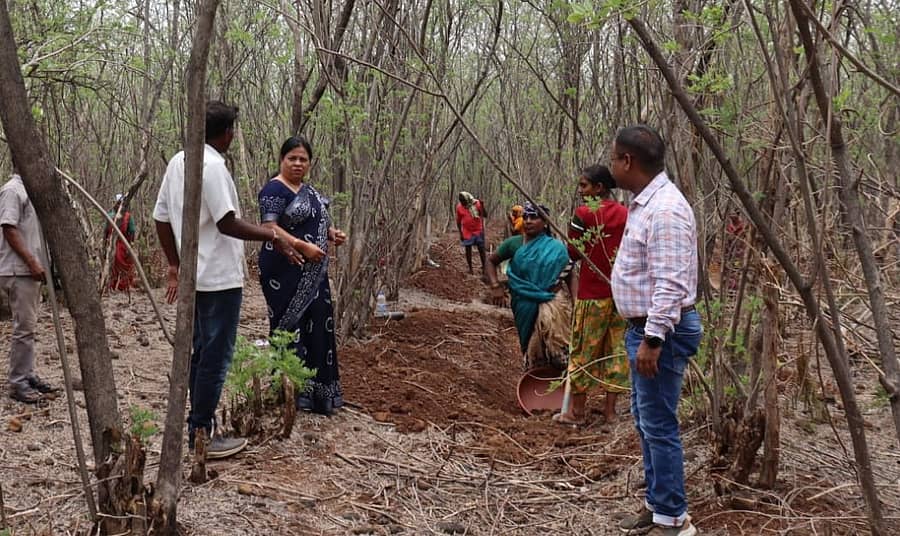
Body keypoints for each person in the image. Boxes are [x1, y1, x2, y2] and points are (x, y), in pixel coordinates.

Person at [153, 101, 302, 459]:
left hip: (195, 277)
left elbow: (159, 218)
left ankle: (198, 428)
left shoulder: (178, 161)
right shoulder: (213, 166)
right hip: (218, 280)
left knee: (202, 354)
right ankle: (201, 433)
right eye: (232, 131)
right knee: (214, 358)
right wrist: (272, 235)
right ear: (226, 134)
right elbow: (227, 222)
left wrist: (175, 265)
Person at [610, 125, 702, 536]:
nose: (612, 165)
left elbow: (670, 283)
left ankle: (673, 520)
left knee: (659, 425)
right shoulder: (645, 204)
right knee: (646, 420)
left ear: (627, 161)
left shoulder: (664, 210)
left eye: (614, 158)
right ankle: (658, 505)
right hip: (644, 330)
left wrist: (652, 339)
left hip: (658, 334)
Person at [258, 136, 347, 415]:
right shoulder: (274, 189)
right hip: (284, 270)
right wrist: (299, 245)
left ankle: (318, 394)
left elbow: (317, 221)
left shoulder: (309, 191)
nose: (298, 163)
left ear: (309, 162)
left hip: (315, 272)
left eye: (303, 159)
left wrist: (332, 235)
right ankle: (290, 392)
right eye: (292, 158)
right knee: (289, 327)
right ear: (282, 160)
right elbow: (269, 226)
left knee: (320, 325)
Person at [554, 164, 628, 426]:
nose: (581, 191)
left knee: (583, 349)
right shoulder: (626, 214)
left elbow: (574, 253)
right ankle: (610, 413)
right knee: (617, 351)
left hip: (591, 294)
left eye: (584, 185)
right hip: (621, 296)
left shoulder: (583, 214)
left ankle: (576, 412)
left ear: (599, 188)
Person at [485, 202, 573, 371]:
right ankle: (534, 384)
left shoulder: (556, 248)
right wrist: (495, 286)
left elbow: (569, 274)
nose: (528, 221)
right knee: (532, 348)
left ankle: (561, 388)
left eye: (534, 217)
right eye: (525, 217)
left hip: (553, 302)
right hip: (524, 303)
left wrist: (576, 300)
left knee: (558, 351)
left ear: (545, 222)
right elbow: (491, 261)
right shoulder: (514, 244)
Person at [0, 167, 58, 404]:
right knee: (23, 328)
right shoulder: (13, 190)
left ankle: (27, 373)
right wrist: (32, 262)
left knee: (28, 326)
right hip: (18, 270)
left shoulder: (32, 191)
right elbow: (8, 228)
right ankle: (19, 382)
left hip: (29, 272)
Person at [105, 194, 136, 291]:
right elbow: (106, 232)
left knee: (126, 265)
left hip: (123, 244)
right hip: (113, 244)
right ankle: (114, 285)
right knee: (114, 265)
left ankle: (123, 285)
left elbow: (132, 231)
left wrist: (130, 244)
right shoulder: (110, 215)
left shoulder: (127, 216)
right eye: (118, 203)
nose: (119, 205)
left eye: (121, 203)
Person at [455, 191, 487, 277]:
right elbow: (458, 221)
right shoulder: (459, 207)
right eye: (461, 202)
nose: (463, 203)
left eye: (464, 202)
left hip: (478, 230)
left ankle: (484, 268)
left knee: (481, 249)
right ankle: (470, 269)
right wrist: (460, 233)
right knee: (468, 249)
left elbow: (485, 215)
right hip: (467, 231)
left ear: (468, 200)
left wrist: (482, 206)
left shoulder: (477, 204)